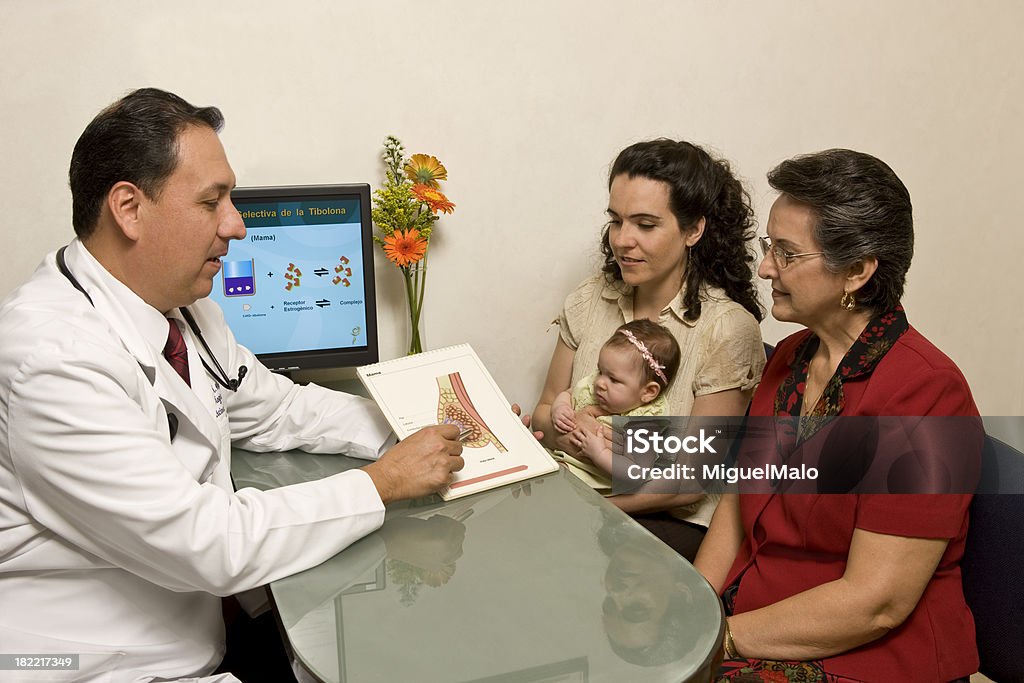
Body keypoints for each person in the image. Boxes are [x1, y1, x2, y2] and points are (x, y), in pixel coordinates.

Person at [0, 88, 469, 683]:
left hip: (197, 621)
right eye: (211, 202)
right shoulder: (52, 359)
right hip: (100, 662)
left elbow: (277, 408)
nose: (237, 225)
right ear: (128, 208)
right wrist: (382, 483)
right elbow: (208, 542)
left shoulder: (180, 307)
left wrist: (409, 429)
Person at [693, 149, 981, 682]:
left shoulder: (928, 394)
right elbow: (736, 508)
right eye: (768, 247)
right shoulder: (791, 357)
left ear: (855, 270)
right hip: (758, 620)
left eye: (786, 253)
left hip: (866, 654)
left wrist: (720, 638)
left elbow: (877, 602)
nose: (764, 267)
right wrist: (689, 611)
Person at [533, 139, 765, 561]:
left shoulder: (727, 329)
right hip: (574, 495)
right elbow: (547, 410)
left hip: (667, 526)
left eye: (645, 224)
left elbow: (688, 483)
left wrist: (591, 505)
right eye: (616, 221)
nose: (623, 240)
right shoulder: (589, 300)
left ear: (694, 229)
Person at [550, 319, 681, 482]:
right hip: (560, 462)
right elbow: (569, 393)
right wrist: (560, 407)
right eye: (600, 370)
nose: (599, 382)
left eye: (613, 379)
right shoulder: (595, 385)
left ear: (648, 392)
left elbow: (636, 472)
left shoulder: (645, 423)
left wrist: (600, 454)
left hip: (595, 485)